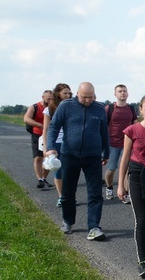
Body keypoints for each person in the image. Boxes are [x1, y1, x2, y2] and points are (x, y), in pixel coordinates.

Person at [46, 81, 110, 241]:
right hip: (70, 155)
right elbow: (53, 127)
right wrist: (51, 147)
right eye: (84, 97)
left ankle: (94, 226)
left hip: (93, 156)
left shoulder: (100, 108)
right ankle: (68, 221)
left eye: (91, 97)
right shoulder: (66, 106)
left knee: (95, 193)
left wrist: (106, 152)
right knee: (68, 192)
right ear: (77, 94)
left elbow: (104, 132)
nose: (88, 100)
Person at [118, 94, 145, 277]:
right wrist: (121, 184)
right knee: (142, 219)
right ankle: (142, 260)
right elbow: (125, 158)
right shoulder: (132, 130)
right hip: (136, 175)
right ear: (141, 110)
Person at [105, 84, 137, 201]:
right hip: (112, 143)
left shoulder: (131, 109)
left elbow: (134, 124)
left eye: (124, 91)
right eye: (120, 91)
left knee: (126, 169)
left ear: (127, 94)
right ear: (115, 94)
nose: (122, 93)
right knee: (111, 169)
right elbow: (103, 125)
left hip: (127, 143)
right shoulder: (109, 108)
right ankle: (109, 187)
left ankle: (125, 192)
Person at [42, 83, 73, 206]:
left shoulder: (72, 106)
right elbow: (46, 129)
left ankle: (69, 195)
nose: (67, 95)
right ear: (58, 94)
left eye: (69, 93)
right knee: (58, 170)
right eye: (65, 93)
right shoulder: (50, 108)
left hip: (70, 142)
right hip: (56, 142)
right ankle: (61, 196)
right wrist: (47, 146)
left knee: (69, 170)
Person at [24, 89, 53, 189]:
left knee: (49, 158)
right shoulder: (35, 107)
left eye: (52, 99)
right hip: (37, 134)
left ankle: (44, 178)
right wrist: (40, 125)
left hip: (49, 135)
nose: (50, 100)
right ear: (43, 97)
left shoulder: (53, 108)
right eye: (48, 98)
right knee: (38, 157)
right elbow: (26, 119)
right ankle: (39, 179)